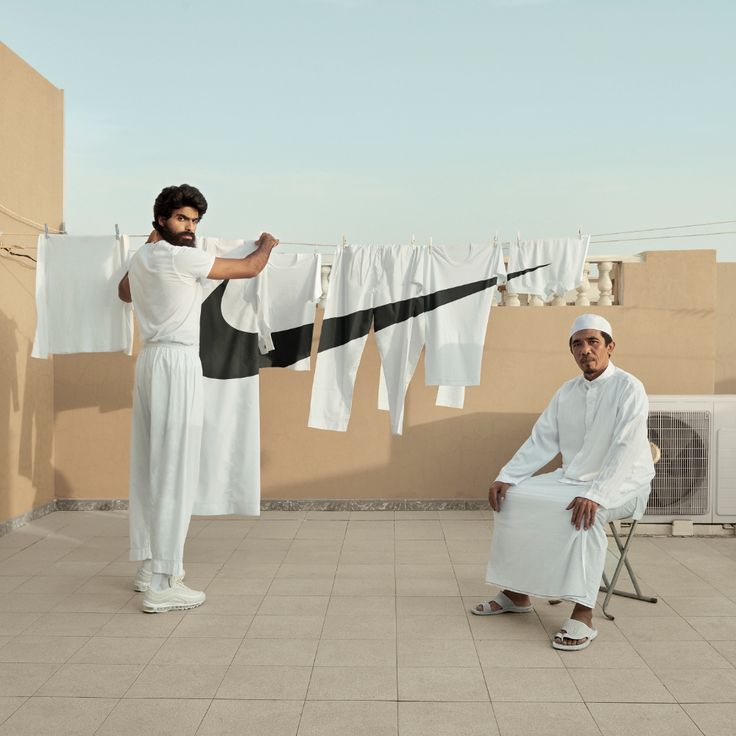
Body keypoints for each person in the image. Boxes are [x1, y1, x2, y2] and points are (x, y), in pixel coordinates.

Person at [118, 184, 278, 613]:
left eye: (194, 221)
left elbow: (124, 292)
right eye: (181, 219)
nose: (189, 228)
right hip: (177, 364)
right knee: (175, 469)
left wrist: (149, 244)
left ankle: (150, 566)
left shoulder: (144, 256)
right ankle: (163, 584)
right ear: (161, 219)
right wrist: (267, 243)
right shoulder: (181, 257)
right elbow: (248, 268)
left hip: (150, 361)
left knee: (153, 466)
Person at [472, 314, 654, 650]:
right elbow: (541, 439)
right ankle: (517, 592)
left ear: (610, 347)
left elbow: (625, 448)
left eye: (593, 342)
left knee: (586, 514)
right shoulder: (566, 392)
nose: (585, 349)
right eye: (577, 343)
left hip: (626, 484)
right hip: (574, 477)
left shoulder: (629, 388)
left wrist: (597, 494)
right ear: (571, 351)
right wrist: (506, 476)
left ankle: (584, 613)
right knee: (515, 498)